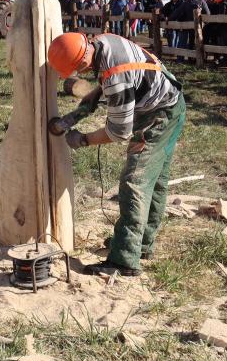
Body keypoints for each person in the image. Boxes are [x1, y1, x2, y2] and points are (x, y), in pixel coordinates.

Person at [47, 32, 186, 278]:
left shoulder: (116, 76)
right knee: (155, 181)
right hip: (167, 102)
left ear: (80, 64)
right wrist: (76, 115)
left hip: (159, 115)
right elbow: (103, 84)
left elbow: (118, 132)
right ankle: (140, 244)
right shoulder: (101, 42)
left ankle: (125, 260)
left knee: (135, 181)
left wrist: (82, 140)